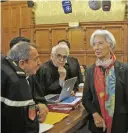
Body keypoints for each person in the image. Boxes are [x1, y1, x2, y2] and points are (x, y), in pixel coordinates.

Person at [82, 29, 128, 133]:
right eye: (94, 44)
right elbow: (86, 98)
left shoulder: (124, 69)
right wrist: (95, 114)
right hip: (98, 124)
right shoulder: (90, 70)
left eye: (100, 43)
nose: (96, 48)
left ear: (110, 45)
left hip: (119, 124)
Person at [1, 42, 49, 133]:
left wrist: (37, 107)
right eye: (36, 59)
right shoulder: (16, 81)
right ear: (22, 63)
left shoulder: (27, 77)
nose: (40, 63)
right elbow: (26, 126)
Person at [9, 36, 46, 103]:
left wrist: (40, 104)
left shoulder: (30, 75)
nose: (40, 63)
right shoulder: (9, 81)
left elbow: (40, 99)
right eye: (35, 59)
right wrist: (36, 107)